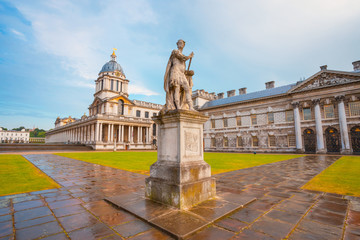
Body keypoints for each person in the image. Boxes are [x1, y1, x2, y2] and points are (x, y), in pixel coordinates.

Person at [163, 39, 195, 112]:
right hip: (175, 72)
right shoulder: (175, 51)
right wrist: (189, 56)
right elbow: (182, 58)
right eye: (179, 43)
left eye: (182, 43)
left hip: (181, 73)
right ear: (177, 44)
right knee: (176, 89)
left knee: (187, 88)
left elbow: (183, 66)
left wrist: (188, 73)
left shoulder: (183, 55)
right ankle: (178, 107)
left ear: (183, 45)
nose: (180, 44)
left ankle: (191, 107)